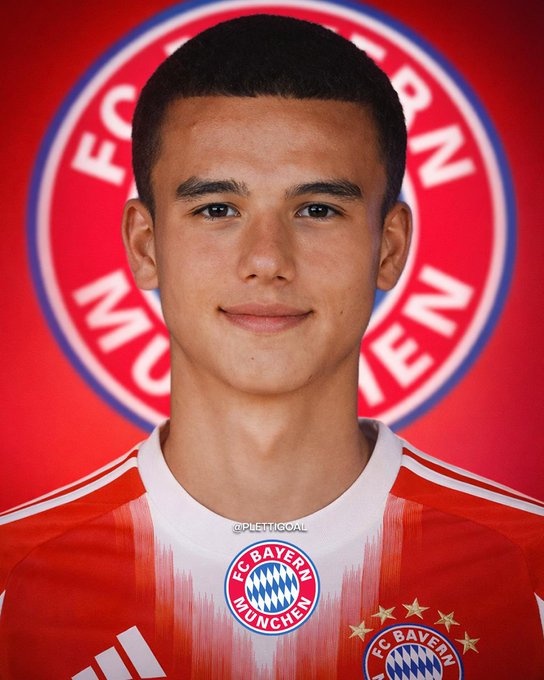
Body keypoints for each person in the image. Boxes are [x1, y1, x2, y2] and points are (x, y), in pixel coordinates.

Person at [1, 14, 542, 679]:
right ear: (146, 245)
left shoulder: (528, 573)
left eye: (317, 209)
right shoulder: (13, 579)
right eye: (216, 209)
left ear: (389, 248)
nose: (266, 260)